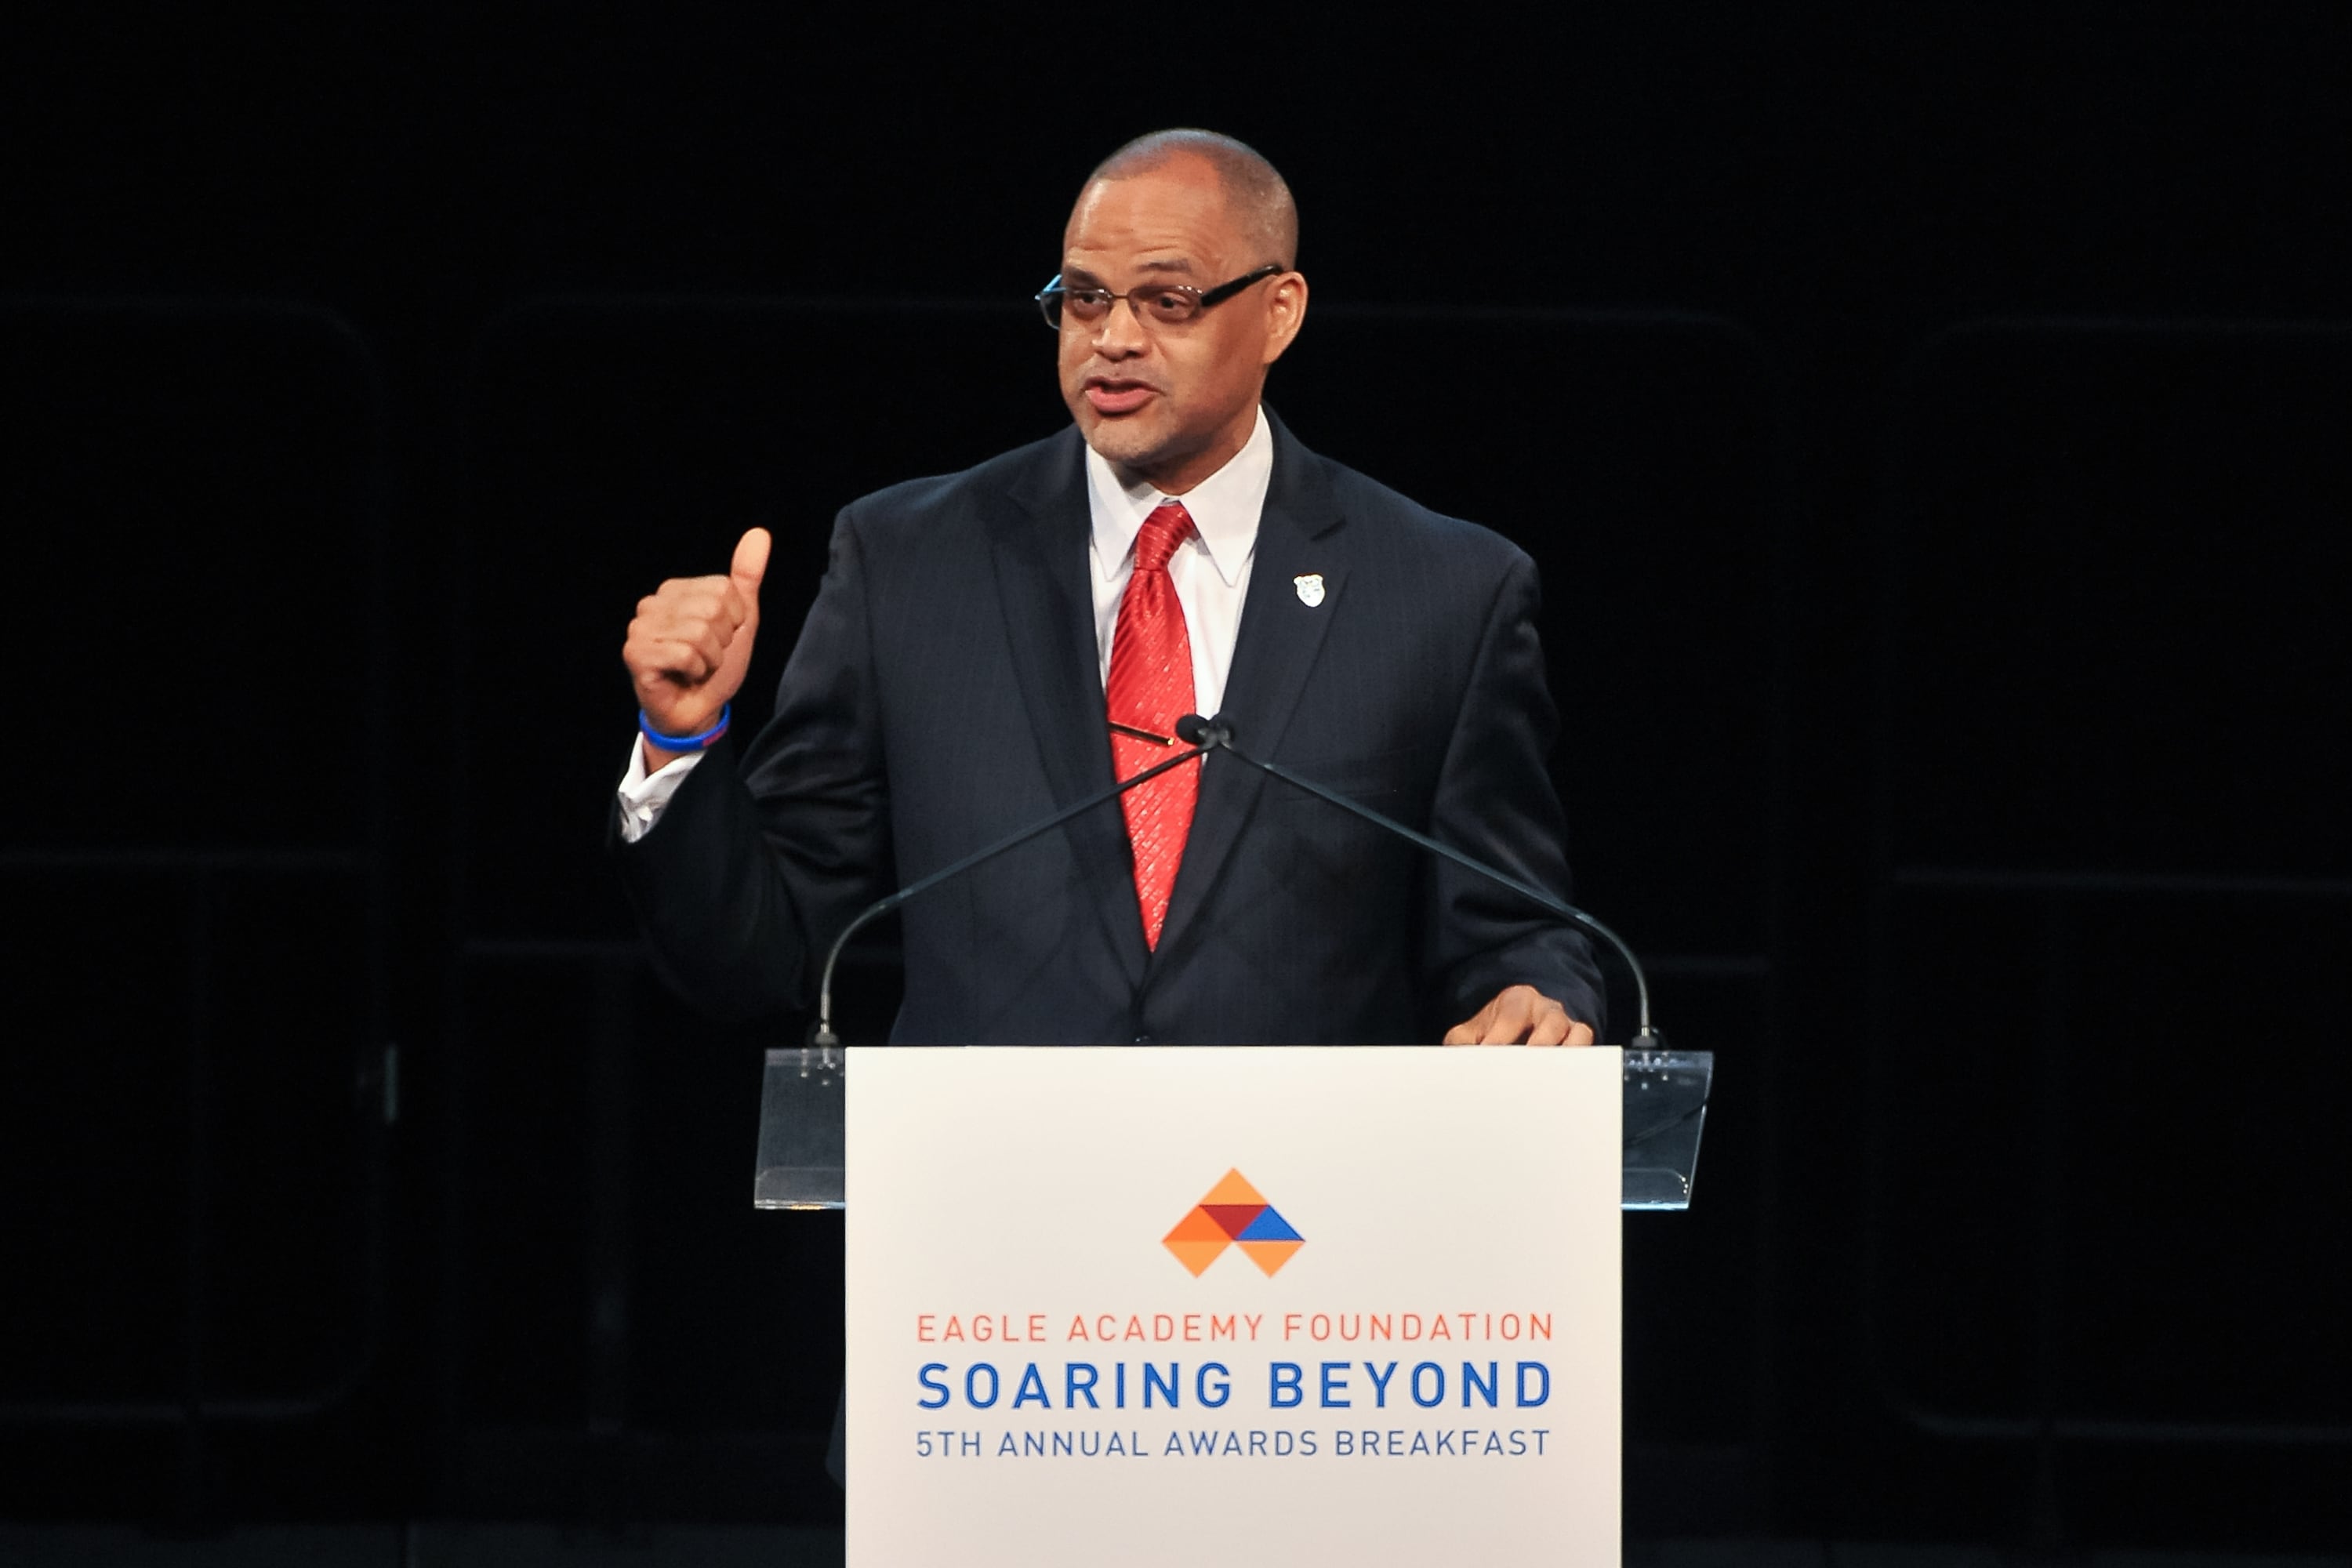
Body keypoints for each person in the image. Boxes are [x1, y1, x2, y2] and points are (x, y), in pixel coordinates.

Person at [612, 129, 1603, 1047]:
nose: (1113, 338)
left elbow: (1510, 928)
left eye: (1167, 302)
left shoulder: (1444, 591)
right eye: (1084, 298)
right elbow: (758, 956)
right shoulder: (909, 563)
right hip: (996, 1204)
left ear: (1279, 312)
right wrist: (681, 743)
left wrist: (1535, 996)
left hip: (1286, 1216)